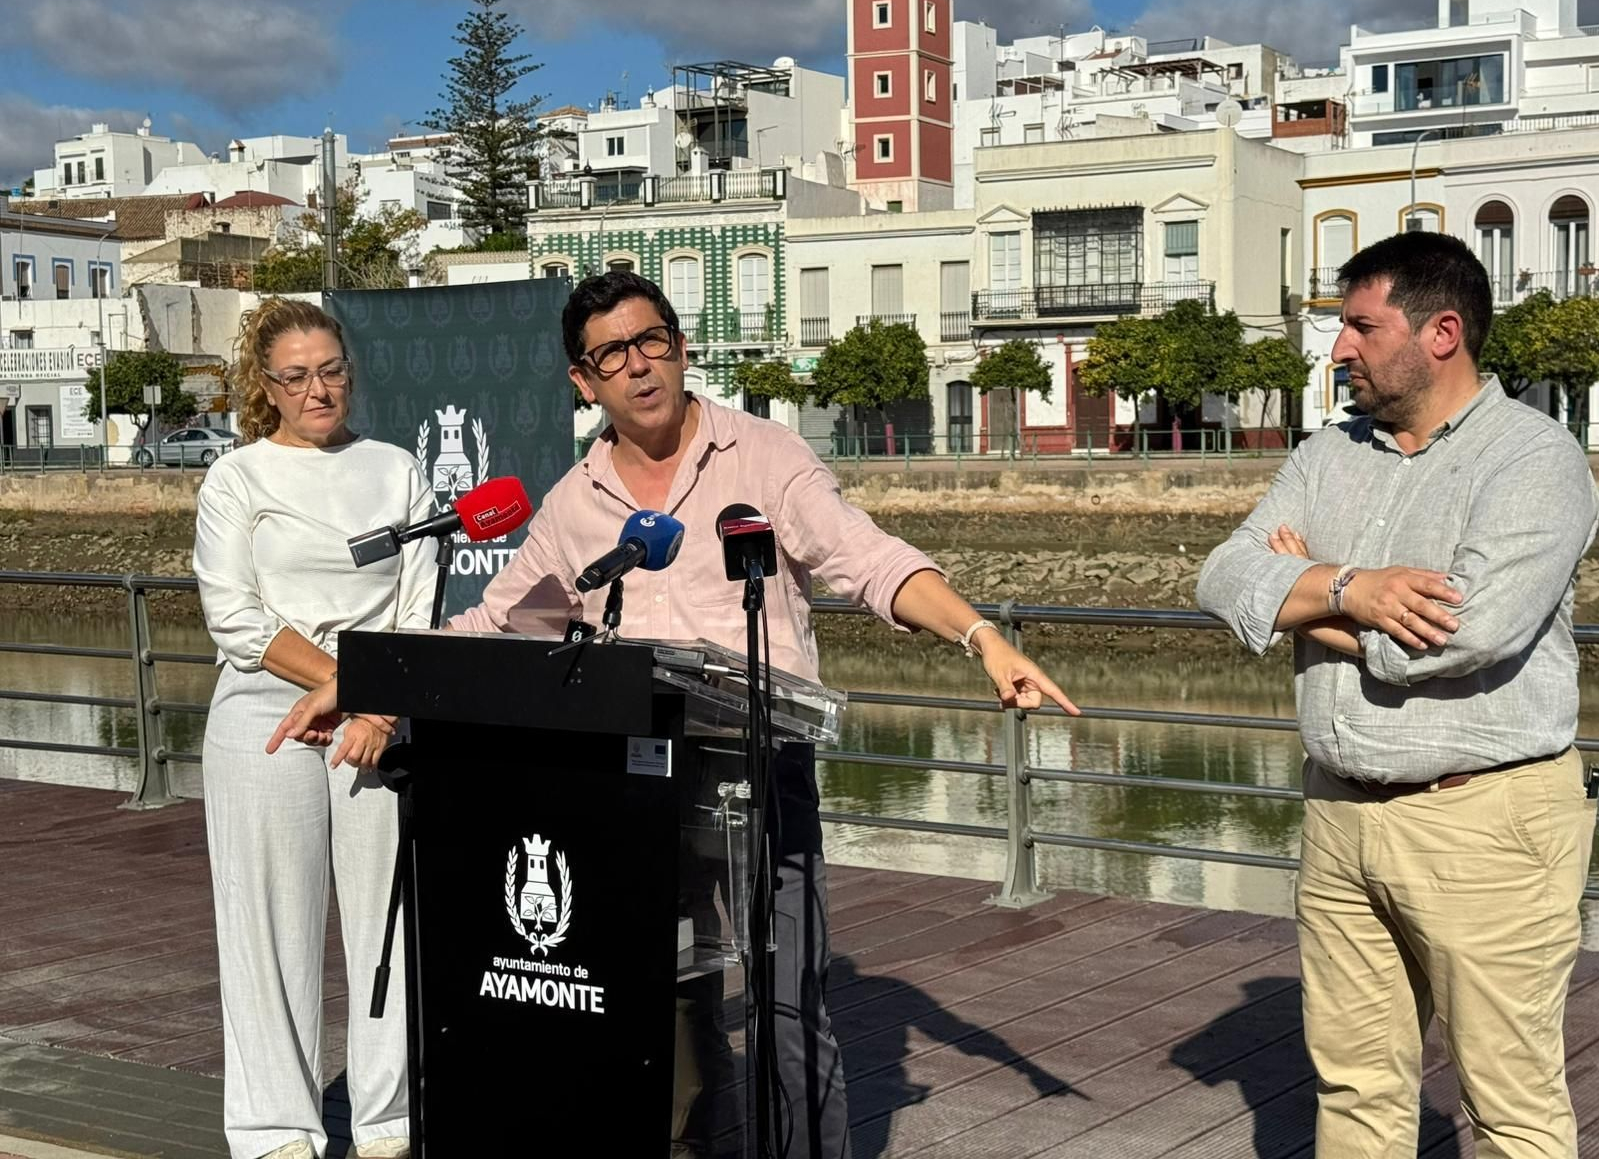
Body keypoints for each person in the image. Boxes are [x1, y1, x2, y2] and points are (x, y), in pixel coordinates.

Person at [274, 270, 1077, 1158]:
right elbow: (494, 621)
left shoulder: (764, 456)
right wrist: (364, 683)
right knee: (665, 1001)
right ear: (584, 383)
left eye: (652, 340)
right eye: (611, 354)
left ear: (682, 348)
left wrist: (981, 639)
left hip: (760, 770)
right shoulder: (577, 504)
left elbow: (869, 559)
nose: (640, 367)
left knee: (787, 1001)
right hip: (638, 794)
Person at [1196, 231, 1599, 1158]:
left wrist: (1304, 602)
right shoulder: (1329, 453)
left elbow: (1458, 638)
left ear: (1442, 332)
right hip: (1339, 818)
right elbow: (1222, 579)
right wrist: (1357, 589)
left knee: (1510, 1108)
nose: (1340, 348)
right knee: (1355, 1090)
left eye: (1360, 327)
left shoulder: (1533, 461)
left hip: (1483, 825)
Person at [193, 297, 430, 1159]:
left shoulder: (399, 470)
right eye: (296, 376)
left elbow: (417, 604)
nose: (318, 389)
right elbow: (236, 617)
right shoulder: (237, 477)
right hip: (266, 712)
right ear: (267, 386)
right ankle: (274, 1130)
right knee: (268, 930)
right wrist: (342, 682)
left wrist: (373, 705)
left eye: (330, 370)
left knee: (388, 928)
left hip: (375, 719)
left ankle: (388, 1121)